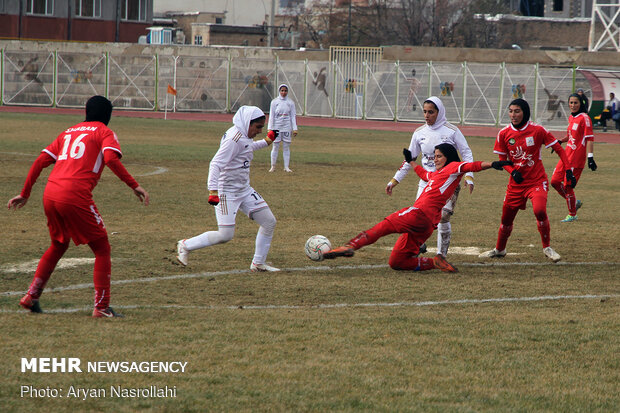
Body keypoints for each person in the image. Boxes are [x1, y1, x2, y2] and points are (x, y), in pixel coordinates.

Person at [7, 95, 150, 317]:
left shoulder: (68, 132)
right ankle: (101, 308)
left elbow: (40, 161)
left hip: (51, 193)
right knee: (102, 248)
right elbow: (111, 159)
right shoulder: (104, 132)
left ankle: (31, 296)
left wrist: (25, 193)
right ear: (108, 115)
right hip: (73, 195)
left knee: (58, 245)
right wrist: (135, 185)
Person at [322, 144, 512, 272]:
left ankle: (350, 246)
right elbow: (423, 174)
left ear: (448, 157)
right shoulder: (437, 174)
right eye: (434, 156)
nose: (435, 159)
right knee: (396, 262)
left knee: (383, 227)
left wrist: (493, 164)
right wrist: (411, 161)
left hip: (419, 214)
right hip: (427, 225)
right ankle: (435, 262)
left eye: (439, 156)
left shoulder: (454, 167)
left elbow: (473, 166)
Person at [177, 105, 280, 272]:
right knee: (225, 235)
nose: (260, 130)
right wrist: (213, 191)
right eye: (258, 127)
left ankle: (258, 263)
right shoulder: (234, 138)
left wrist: (266, 142)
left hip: (244, 189)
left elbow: (247, 148)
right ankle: (185, 245)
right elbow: (216, 164)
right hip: (226, 192)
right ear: (248, 122)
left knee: (269, 222)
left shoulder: (243, 135)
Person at [479, 98, 575, 262]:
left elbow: (560, 149)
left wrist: (568, 171)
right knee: (506, 219)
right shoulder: (503, 134)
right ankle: (499, 249)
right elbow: (503, 162)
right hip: (516, 184)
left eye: (517, 111)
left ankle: (547, 248)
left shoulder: (537, 130)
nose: (513, 115)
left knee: (539, 210)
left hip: (536, 181)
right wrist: (513, 172)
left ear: (525, 112)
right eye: (510, 111)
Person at [386, 96, 475, 258]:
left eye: (431, 112)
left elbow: (466, 152)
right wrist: (395, 180)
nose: (427, 115)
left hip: (448, 183)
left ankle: (442, 255)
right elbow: (410, 159)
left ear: (439, 112)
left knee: (443, 218)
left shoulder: (452, 131)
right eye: (425, 112)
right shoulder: (419, 133)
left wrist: (469, 176)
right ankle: (416, 246)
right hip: (426, 183)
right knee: (418, 219)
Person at [550, 93, 597, 222]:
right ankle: (574, 202)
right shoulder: (571, 117)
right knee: (554, 181)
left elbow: (589, 139)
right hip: (566, 156)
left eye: (576, 103)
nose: (573, 105)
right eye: (571, 103)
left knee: (568, 186)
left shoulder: (585, 118)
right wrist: (560, 141)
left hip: (576, 159)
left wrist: (590, 158)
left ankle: (572, 214)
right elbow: (570, 136)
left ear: (581, 103)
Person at [268, 84, 298, 172]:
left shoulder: (290, 102)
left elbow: (293, 116)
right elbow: (271, 116)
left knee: (286, 147)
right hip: (276, 127)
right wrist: (270, 128)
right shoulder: (274, 102)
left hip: (286, 127)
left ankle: (286, 167)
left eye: (285, 91)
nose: (283, 92)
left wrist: (295, 128)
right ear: (279, 91)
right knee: (275, 146)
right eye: (282, 91)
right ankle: (273, 166)